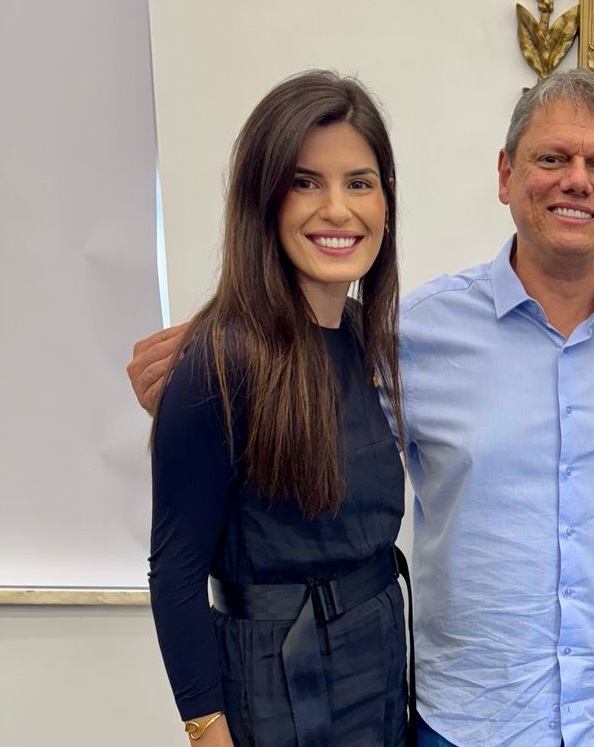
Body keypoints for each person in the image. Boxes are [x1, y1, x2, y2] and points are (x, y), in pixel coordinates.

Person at [130, 68, 594, 747]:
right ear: (506, 175)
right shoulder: (412, 335)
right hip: (463, 718)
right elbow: (288, 382)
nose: (577, 180)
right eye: (551, 158)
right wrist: (204, 379)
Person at [147, 70, 410, 746]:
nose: (338, 210)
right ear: (262, 200)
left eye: (359, 183)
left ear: (386, 200)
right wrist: (206, 732)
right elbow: (175, 574)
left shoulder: (366, 337)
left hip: (377, 657)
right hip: (279, 682)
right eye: (305, 183)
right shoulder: (222, 359)